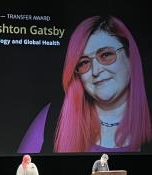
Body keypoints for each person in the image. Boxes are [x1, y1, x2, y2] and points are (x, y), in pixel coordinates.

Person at [17, 15, 151, 153]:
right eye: (84, 62)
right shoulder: (53, 117)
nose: (96, 71)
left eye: (105, 55)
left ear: (130, 56)